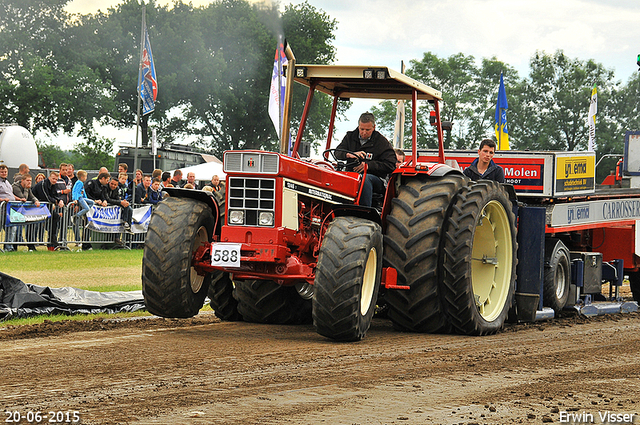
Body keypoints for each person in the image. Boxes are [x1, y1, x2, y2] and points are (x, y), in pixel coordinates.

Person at [335, 112, 396, 207]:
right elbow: (337, 153)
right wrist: (349, 154)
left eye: (368, 130)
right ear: (358, 126)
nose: (364, 132)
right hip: (352, 175)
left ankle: (364, 211)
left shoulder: (381, 142)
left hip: (375, 179)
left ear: (374, 127)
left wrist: (368, 166)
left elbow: (390, 165)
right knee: (335, 176)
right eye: (361, 129)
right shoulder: (350, 137)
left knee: (365, 179)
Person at [32, 171, 66, 250]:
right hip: (35, 206)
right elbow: (45, 197)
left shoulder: (53, 185)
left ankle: (52, 240)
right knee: (33, 226)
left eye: (56, 179)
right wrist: (56, 201)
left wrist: (60, 200)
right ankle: (31, 245)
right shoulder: (43, 184)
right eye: (53, 178)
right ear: (49, 177)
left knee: (56, 217)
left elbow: (55, 195)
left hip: (45, 206)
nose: (54, 181)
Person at [12, 174, 41, 251]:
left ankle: (31, 245)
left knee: (31, 226)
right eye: (27, 180)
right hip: (15, 210)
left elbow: (32, 196)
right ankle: (13, 246)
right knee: (16, 228)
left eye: (30, 181)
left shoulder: (27, 188)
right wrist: (25, 189)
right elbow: (23, 198)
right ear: (22, 181)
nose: (29, 182)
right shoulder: (16, 187)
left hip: (23, 211)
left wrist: (36, 200)